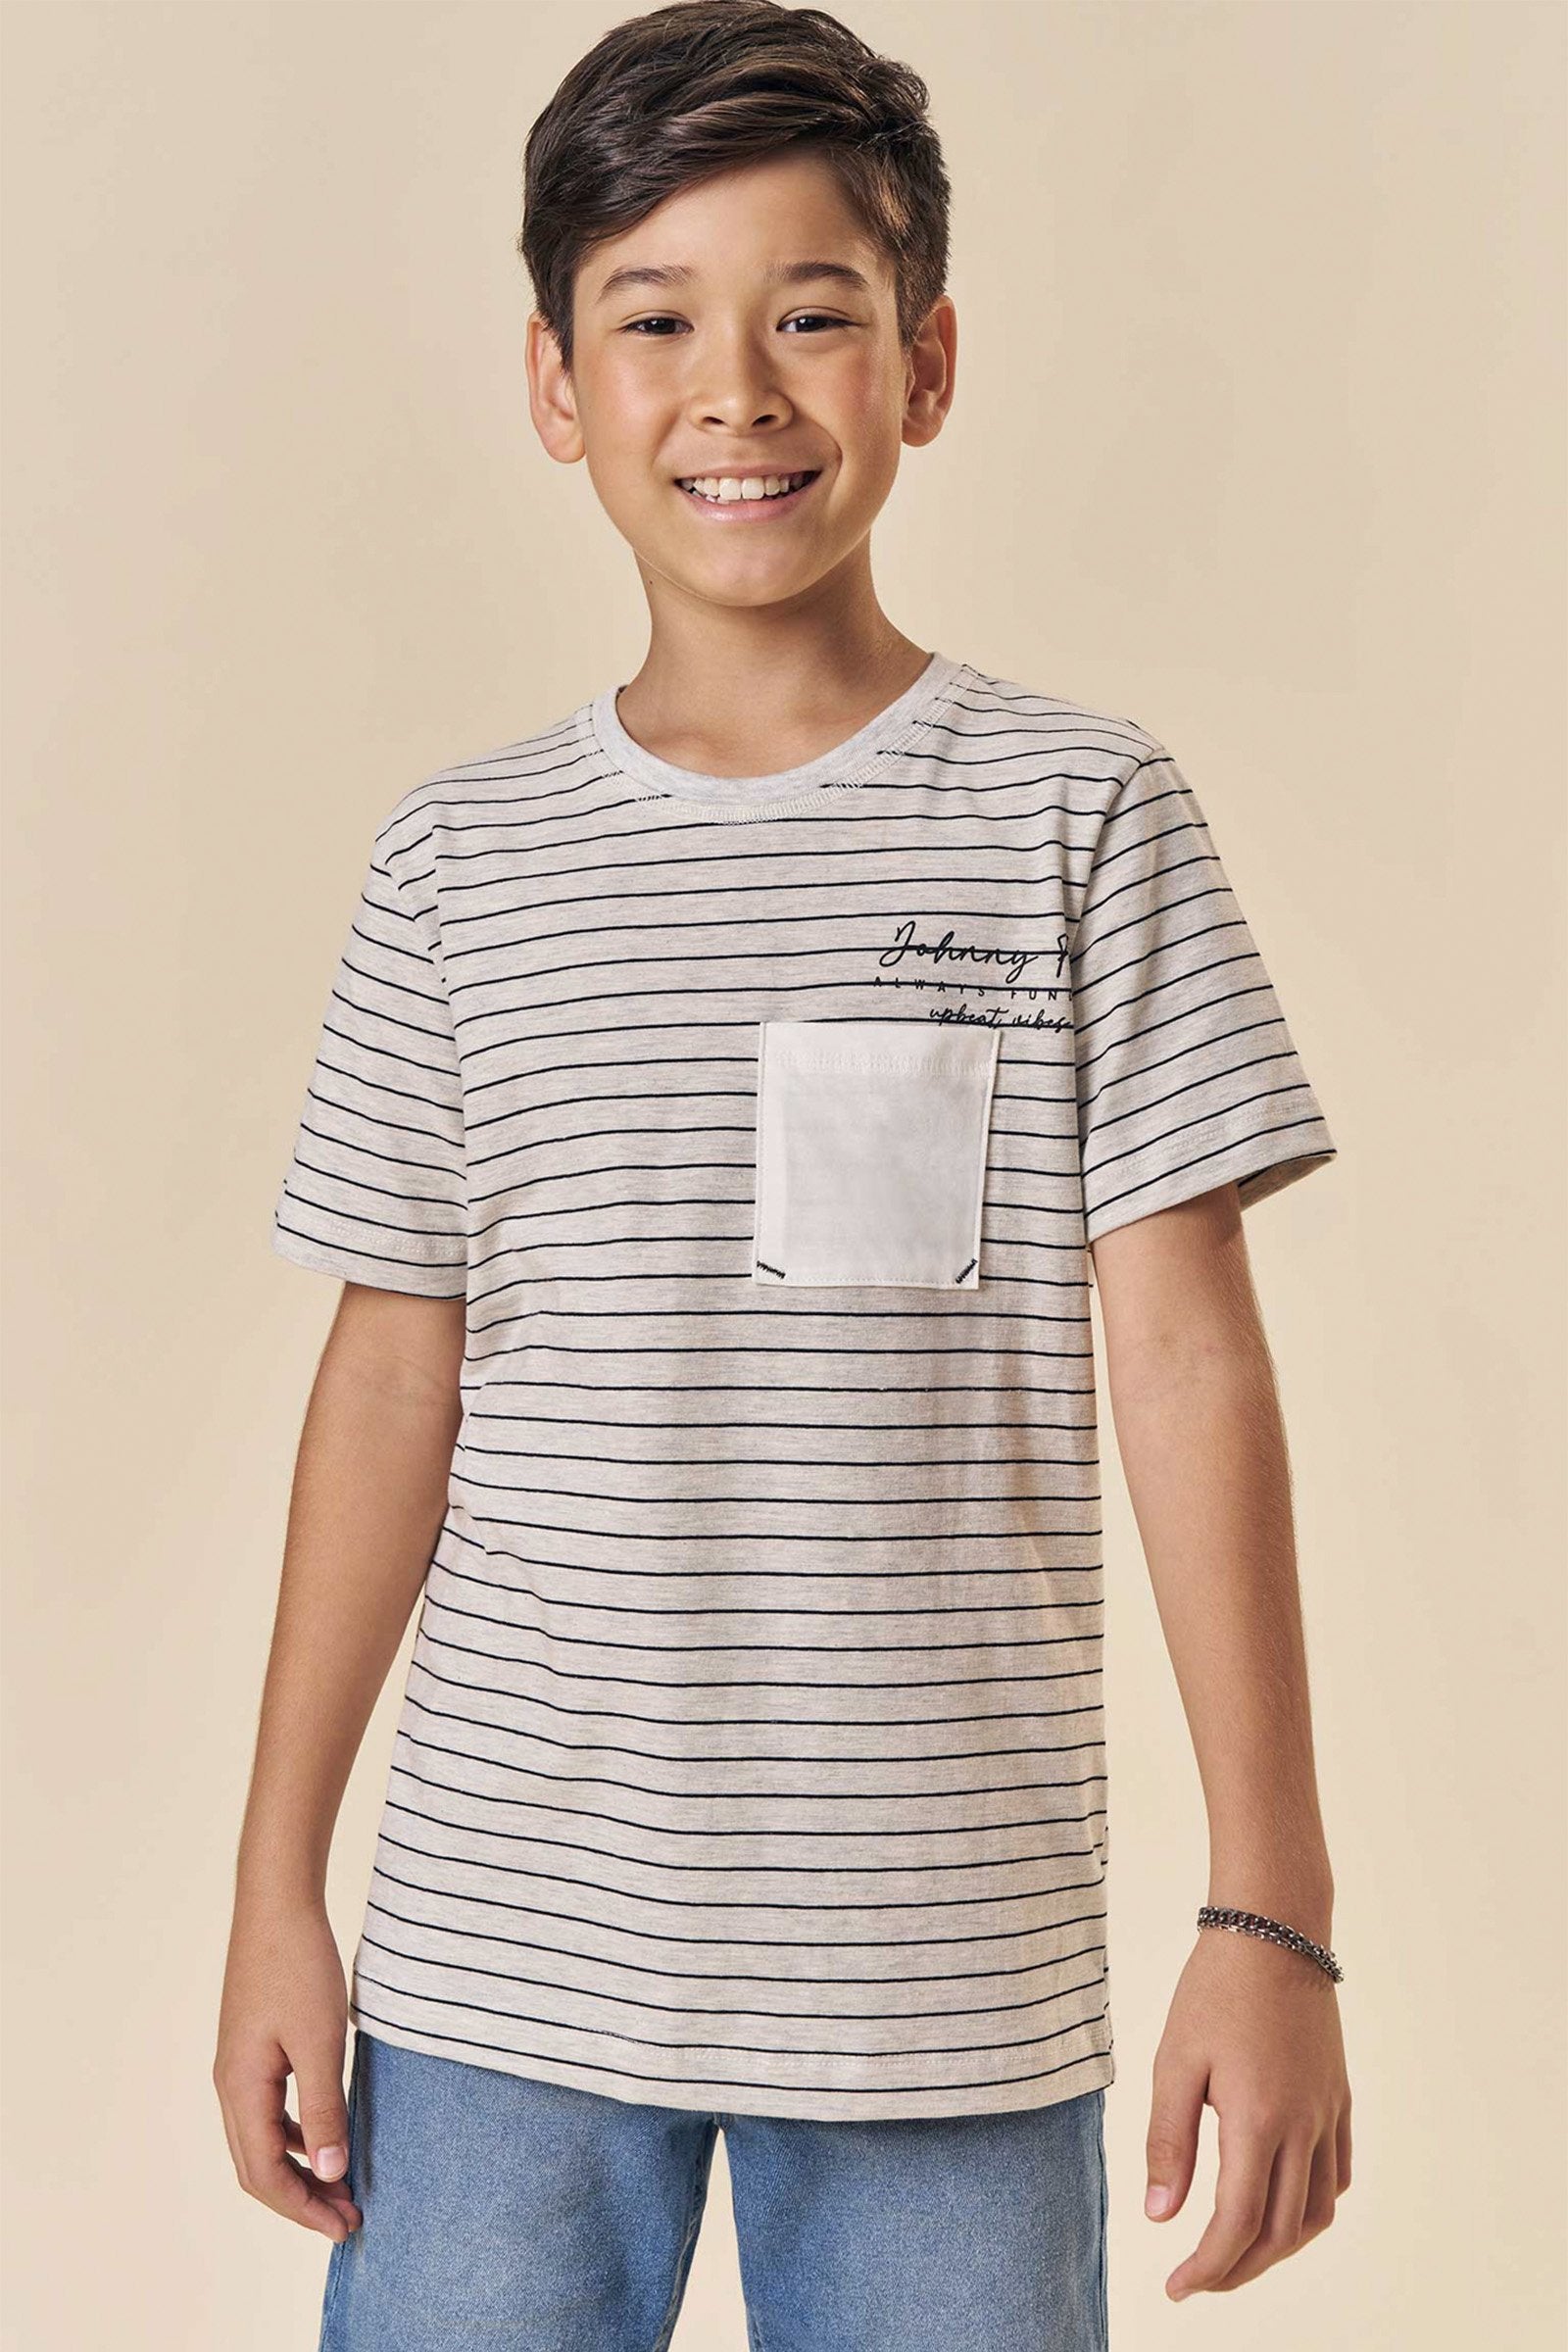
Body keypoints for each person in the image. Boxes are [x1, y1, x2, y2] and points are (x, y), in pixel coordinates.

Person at [213, 4, 1352, 2344]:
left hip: (944, 1981)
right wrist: (273, 1888)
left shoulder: (1075, 815)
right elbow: (389, 1380)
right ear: (555, 386)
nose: (734, 391)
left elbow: (1185, 1366)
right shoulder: (458, 865)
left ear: (923, 365)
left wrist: (1270, 1911)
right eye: (653, 323)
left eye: (810, 316)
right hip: (499, 1966)